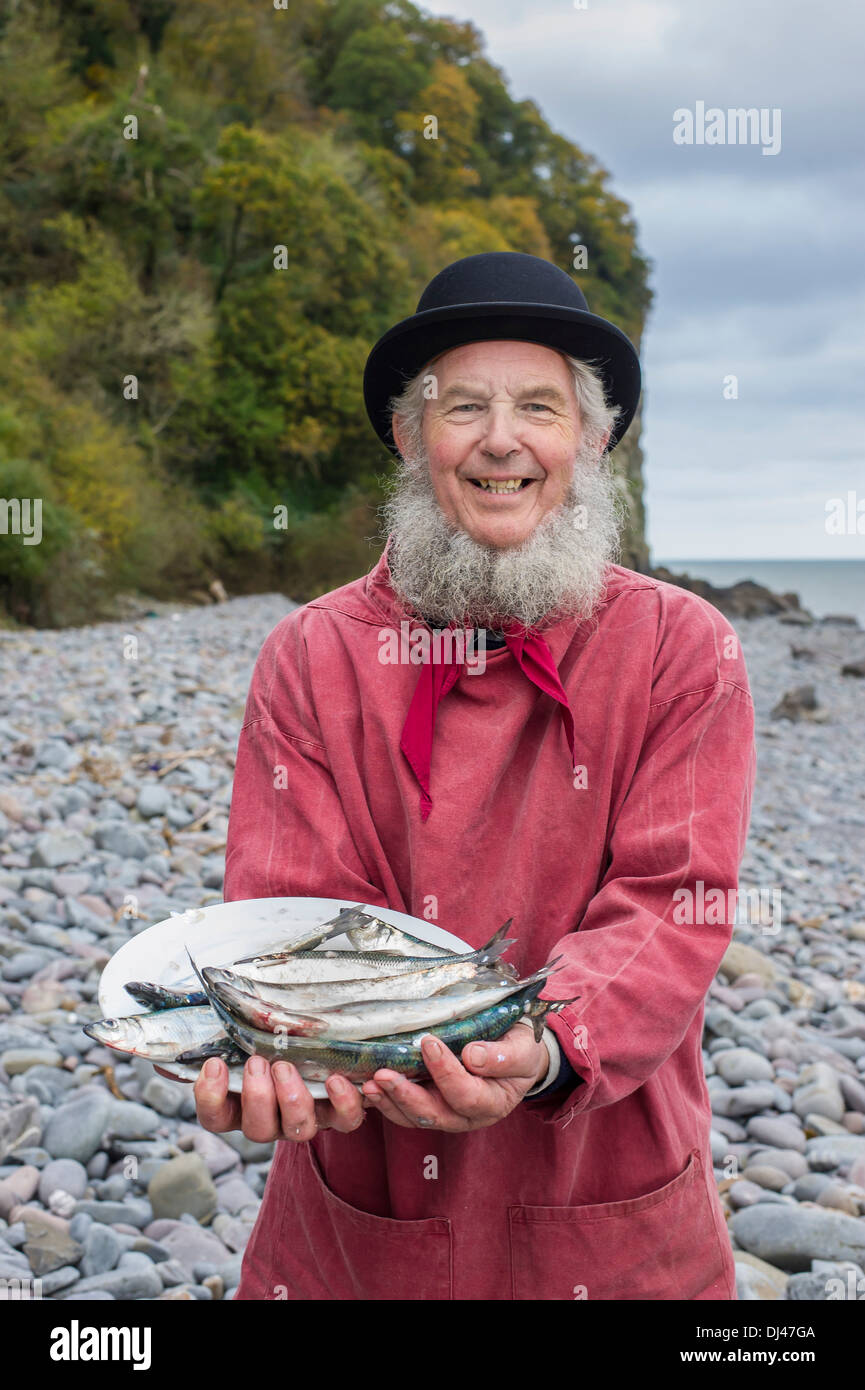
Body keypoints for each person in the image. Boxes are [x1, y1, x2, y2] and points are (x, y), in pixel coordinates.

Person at [193, 252, 757, 1300]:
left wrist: (546, 1047)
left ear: (590, 442)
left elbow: (669, 906)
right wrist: (287, 1060)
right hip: (365, 1212)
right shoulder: (311, 655)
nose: (502, 439)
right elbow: (294, 923)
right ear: (412, 438)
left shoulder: (683, 647)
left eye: (539, 406)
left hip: (609, 1194)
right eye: (464, 407)